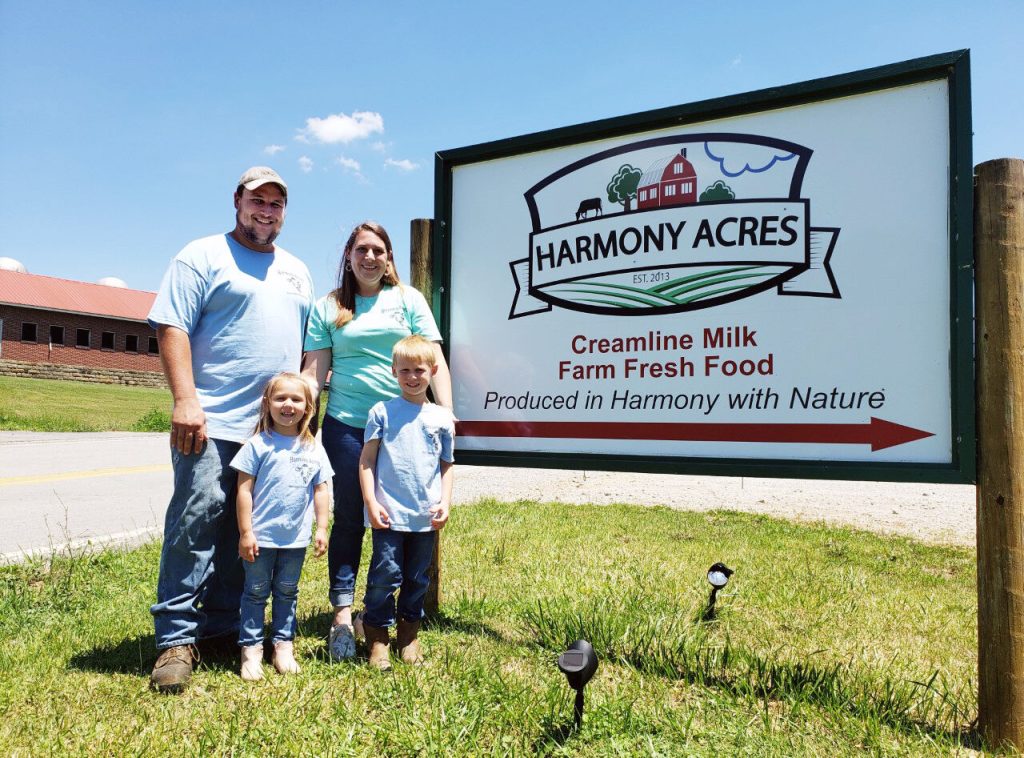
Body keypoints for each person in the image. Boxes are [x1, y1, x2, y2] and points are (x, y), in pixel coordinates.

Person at [148, 167, 315, 693]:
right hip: (211, 419)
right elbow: (171, 324)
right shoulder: (201, 256)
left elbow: (311, 347)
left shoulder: (296, 271)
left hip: (273, 432)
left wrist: (306, 403)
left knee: (244, 532)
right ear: (237, 202)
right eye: (257, 200)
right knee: (197, 520)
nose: (266, 211)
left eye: (276, 204)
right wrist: (185, 399)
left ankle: (220, 628)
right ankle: (176, 639)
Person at [301, 221, 453, 661]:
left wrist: (446, 410)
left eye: (378, 250)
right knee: (350, 519)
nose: (370, 257)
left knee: (405, 521)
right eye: (361, 249)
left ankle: (399, 623)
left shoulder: (408, 300)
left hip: (408, 428)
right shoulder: (329, 307)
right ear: (348, 256)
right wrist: (302, 424)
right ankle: (343, 618)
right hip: (349, 426)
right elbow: (314, 370)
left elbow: (433, 358)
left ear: (389, 258)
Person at [358, 335, 454, 669]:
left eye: (419, 370)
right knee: (385, 575)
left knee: (417, 578)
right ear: (393, 371)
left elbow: (446, 465)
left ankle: (409, 636)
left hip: (424, 516)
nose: (412, 377)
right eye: (405, 371)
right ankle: (378, 639)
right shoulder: (381, 412)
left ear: (433, 370)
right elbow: (366, 461)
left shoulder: (442, 418)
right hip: (388, 514)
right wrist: (371, 501)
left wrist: (446, 501)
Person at [232, 372, 332, 680]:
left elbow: (321, 490)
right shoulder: (257, 445)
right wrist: (246, 532)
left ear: (308, 408)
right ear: (267, 404)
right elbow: (243, 491)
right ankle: (251, 651)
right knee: (255, 592)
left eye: (296, 399)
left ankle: (283, 647)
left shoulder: (313, 447)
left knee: (288, 592)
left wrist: (321, 528)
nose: (288, 405)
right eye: (280, 398)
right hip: (260, 538)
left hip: (295, 539)